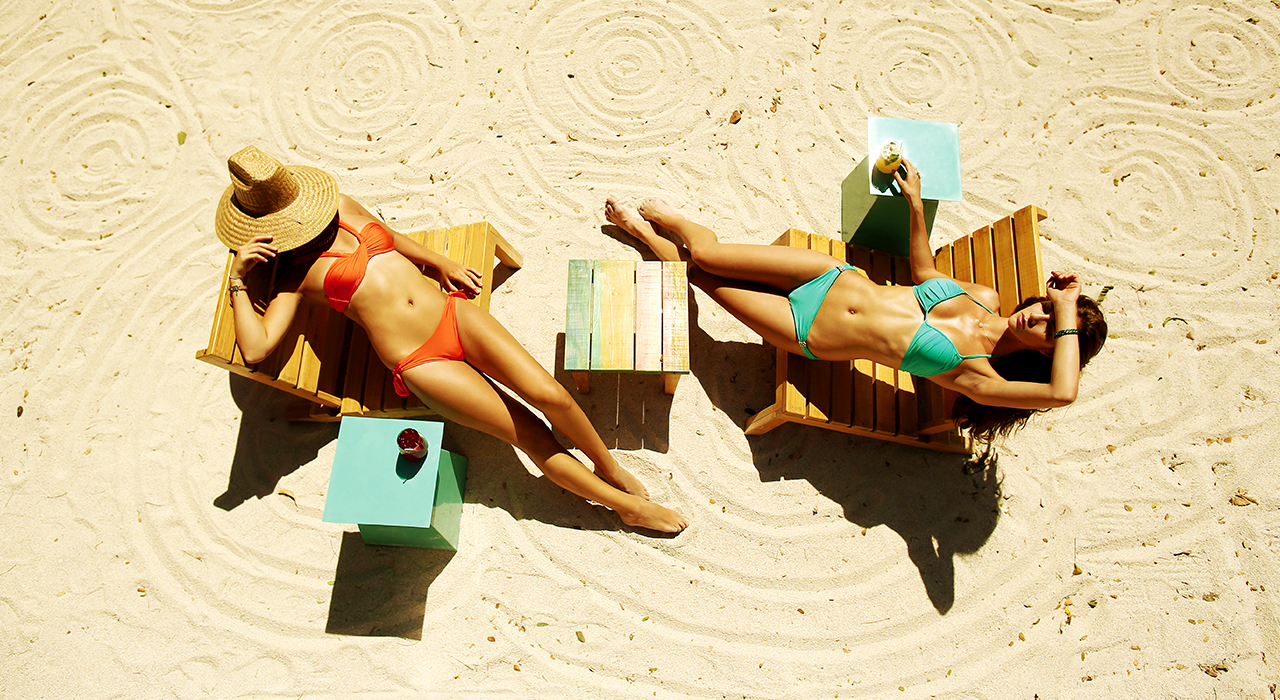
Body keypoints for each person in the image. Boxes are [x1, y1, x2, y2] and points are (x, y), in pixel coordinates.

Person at [214, 146, 686, 533]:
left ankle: (609, 467)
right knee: (530, 434)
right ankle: (625, 508)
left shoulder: (342, 207)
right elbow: (256, 349)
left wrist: (438, 262)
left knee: (552, 396)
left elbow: (391, 237)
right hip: (421, 361)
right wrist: (238, 280)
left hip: (451, 313)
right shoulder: (293, 278)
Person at [603, 158, 1106, 443]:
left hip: (808, 329)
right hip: (833, 276)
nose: (1037, 315)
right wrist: (915, 207)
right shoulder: (984, 297)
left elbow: (1063, 393)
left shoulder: (982, 378)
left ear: (1051, 349)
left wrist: (1068, 309)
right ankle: (676, 220)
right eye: (1045, 306)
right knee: (708, 254)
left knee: (696, 275)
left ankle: (645, 235)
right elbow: (925, 273)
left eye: (1050, 324)